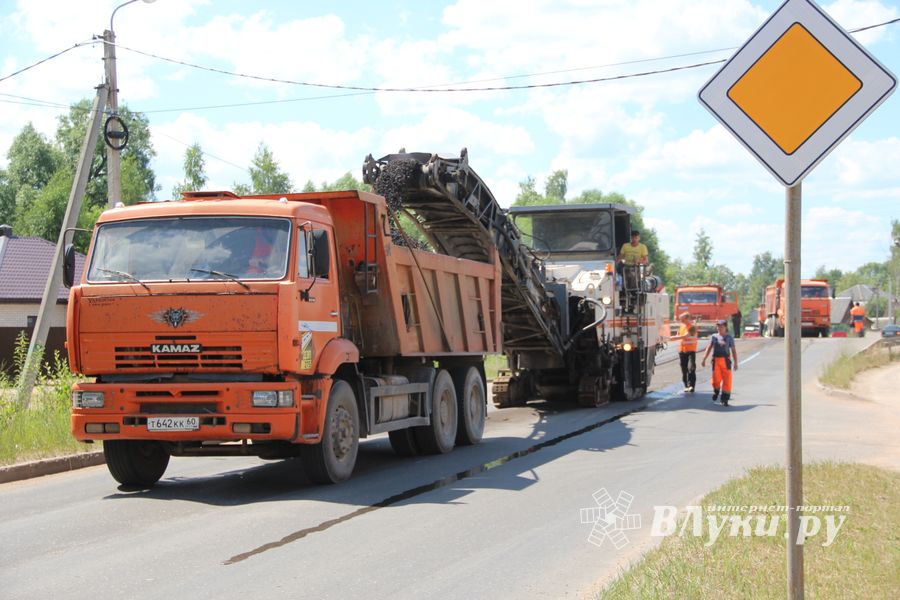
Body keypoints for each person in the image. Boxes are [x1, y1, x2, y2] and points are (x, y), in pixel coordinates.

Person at [701, 319, 739, 405]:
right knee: (715, 379)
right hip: (716, 361)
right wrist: (704, 359)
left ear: (725, 327)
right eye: (718, 326)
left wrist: (736, 362)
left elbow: (733, 351)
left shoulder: (729, 338)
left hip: (726, 361)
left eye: (721, 326)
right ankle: (716, 390)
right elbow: (709, 348)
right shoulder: (714, 337)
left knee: (727, 380)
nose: (719, 328)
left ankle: (725, 399)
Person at [670, 312, 699, 392]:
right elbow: (679, 335)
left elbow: (686, 336)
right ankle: (686, 385)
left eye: (682, 319)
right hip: (682, 351)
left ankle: (691, 385)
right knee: (684, 369)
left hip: (691, 351)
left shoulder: (693, 327)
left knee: (691, 368)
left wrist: (673, 338)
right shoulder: (682, 326)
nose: (681, 321)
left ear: (687, 319)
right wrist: (672, 337)